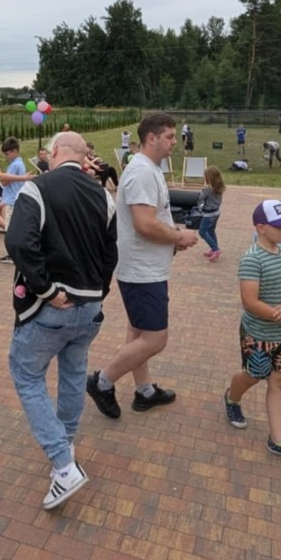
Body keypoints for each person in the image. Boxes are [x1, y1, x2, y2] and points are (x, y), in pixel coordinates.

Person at [5, 131, 119, 510]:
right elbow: (109, 254)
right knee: (72, 373)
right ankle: (65, 445)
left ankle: (63, 462)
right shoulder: (103, 195)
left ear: (53, 152)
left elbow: (19, 242)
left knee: (27, 374)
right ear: (84, 155)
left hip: (51, 306)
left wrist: (45, 289)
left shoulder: (37, 188)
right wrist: (97, 293)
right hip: (89, 307)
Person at [87, 112, 199, 419]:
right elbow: (144, 224)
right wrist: (178, 236)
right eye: (170, 137)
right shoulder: (141, 172)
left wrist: (174, 234)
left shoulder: (148, 169)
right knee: (155, 339)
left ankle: (144, 391)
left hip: (146, 268)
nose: (175, 142)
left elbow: (153, 217)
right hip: (141, 270)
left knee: (138, 334)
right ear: (152, 138)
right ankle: (102, 381)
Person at [222, 200, 281, 465]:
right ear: (261, 227)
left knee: (279, 382)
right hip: (258, 335)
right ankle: (232, 396)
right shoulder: (252, 259)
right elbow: (250, 301)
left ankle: (279, 440)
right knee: (253, 374)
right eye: (279, 225)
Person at [0, 137, 33, 263]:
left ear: (15, 151)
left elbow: (5, 182)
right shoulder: (19, 164)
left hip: (12, 200)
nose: (7, 157)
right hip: (13, 198)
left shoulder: (14, 165)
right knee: (14, 228)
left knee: (10, 229)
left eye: (8, 154)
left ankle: (13, 254)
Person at [197, 165, 225, 262]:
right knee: (211, 230)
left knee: (202, 232)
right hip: (216, 212)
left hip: (208, 214)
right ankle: (214, 248)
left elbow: (201, 198)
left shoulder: (208, 189)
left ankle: (215, 249)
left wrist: (200, 205)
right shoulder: (220, 187)